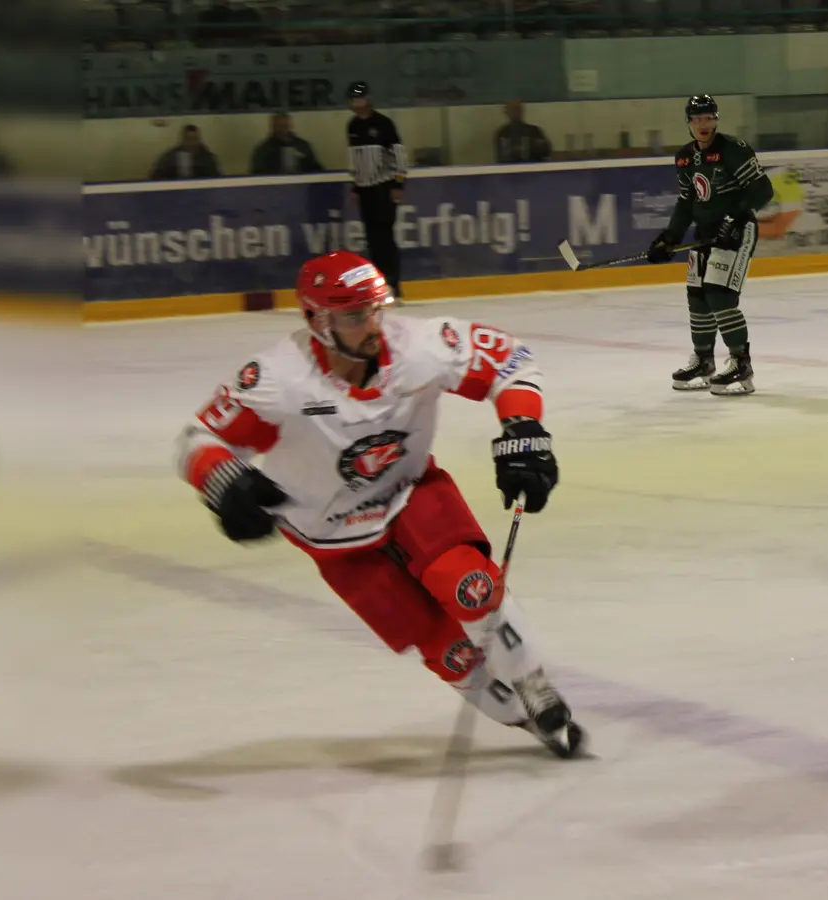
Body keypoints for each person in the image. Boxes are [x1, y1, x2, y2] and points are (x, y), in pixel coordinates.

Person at [172, 250, 583, 758]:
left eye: (375, 308)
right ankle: (520, 717)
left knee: (471, 586)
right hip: (329, 532)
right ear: (316, 320)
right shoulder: (277, 380)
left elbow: (509, 360)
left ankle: (535, 685)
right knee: (445, 649)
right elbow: (200, 437)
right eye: (354, 315)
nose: (372, 325)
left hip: (410, 491)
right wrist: (223, 482)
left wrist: (523, 426)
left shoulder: (420, 348)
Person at [645, 94, 774, 396]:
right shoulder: (685, 158)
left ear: (716, 120)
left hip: (737, 231)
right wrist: (669, 238)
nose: (703, 124)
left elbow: (763, 191)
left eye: (708, 118)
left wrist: (733, 217)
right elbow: (687, 201)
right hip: (706, 234)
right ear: (688, 123)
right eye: (697, 119)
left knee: (719, 294)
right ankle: (704, 361)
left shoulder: (734, 150)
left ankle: (741, 363)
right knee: (697, 295)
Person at [344, 81, 407, 304]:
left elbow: (398, 156)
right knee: (372, 239)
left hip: (384, 187)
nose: (356, 103)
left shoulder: (383, 124)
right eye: (353, 99)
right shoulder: (352, 126)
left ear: (368, 99)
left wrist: (399, 184)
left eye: (359, 98)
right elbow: (355, 160)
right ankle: (379, 284)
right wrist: (356, 186)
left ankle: (394, 284)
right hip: (365, 190)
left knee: (385, 237)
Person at [250, 112, 324, 175]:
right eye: (278, 127)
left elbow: (316, 169)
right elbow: (257, 174)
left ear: (290, 126)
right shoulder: (263, 150)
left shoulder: (302, 146)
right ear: (272, 127)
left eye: (284, 126)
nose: (281, 130)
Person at [150, 125, 222, 181]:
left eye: (194, 139)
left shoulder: (207, 157)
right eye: (188, 139)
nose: (191, 143)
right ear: (183, 139)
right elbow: (156, 176)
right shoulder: (170, 157)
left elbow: (216, 177)